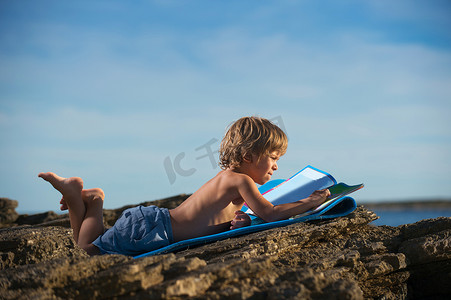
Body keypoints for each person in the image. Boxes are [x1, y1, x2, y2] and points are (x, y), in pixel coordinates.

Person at [39, 116, 330, 256]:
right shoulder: (241, 180)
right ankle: (96, 200)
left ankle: (79, 197)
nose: (277, 166)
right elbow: (269, 213)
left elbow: (217, 217)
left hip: (153, 223)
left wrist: (237, 223)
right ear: (248, 156)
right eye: (274, 158)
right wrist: (309, 202)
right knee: (85, 251)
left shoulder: (230, 179)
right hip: (154, 230)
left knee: (92, 244)